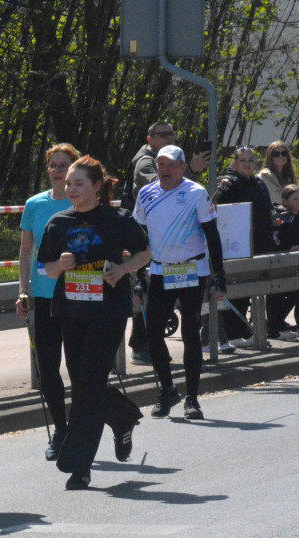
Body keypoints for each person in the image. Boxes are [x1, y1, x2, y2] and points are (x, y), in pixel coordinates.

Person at [38, 155, 150, 490]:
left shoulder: (117, 219)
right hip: (71, 312)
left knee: (87, 384)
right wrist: (60, 264)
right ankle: (122, 415)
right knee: (84, 383)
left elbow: (144, 253)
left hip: (108, 312)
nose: (69, 188)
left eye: (78, 183)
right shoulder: (58, 222)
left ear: (97, 187)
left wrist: (123, 269)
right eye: (68, 183)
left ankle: (79, 465)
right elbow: (46, 268)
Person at [132, 145, 227, 420]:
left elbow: (212, 235)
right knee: (152, 335)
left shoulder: (196, 193)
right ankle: (167, 390)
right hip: (161, 271)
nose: (165, 170)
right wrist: (140, 277)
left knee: (189, 333)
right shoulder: (146, 193)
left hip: (191, 270)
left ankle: (193, 399)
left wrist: (219, 275)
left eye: (171, 165)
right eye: (161, 165)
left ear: (182, 167)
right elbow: (140, 238)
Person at [122, 121, 212, 365]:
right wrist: (189, 169)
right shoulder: (145, 161)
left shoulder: (164, 160)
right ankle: (141, 347)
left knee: (171, 308)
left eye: (172, 133)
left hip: (174, 247)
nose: (169, 137)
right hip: (150, 241)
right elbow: (161, 184)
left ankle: (157, 350)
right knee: (149, 297)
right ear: (150, 139)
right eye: (163, 134)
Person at [16, 143, 79, 460]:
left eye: (63, 165)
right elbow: (26, 250)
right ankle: (61, 430)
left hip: (81, 296)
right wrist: (22, 289)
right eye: (52, 165)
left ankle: (86, 426)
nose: (57, 170)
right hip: (44, 295)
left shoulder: (84, 202)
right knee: (49, 370)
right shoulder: (34, 204)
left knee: (81, 367)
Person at [215, 146, 275, 347]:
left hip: (258, 244)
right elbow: (219, 212)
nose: (247, 164)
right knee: (235, 290)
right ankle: (232, 333)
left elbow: (267, 208)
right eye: (243, 160)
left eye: (250, 160)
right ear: (234, 163)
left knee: (248, 291)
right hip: (235, 247)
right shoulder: (227, 183)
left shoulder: (258, 183)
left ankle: (240, 329)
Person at [267, 184, 299, 338]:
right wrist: (289, 247)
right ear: (285, 201)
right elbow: (276, 239)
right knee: (281, 295)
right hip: (282, 261)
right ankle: (274, 326)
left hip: (297, 260)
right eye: (295, 199)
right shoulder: (283, 217)